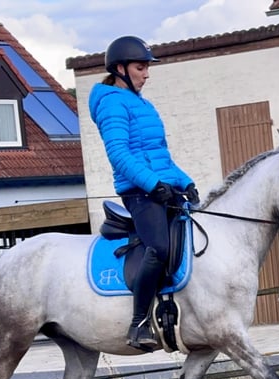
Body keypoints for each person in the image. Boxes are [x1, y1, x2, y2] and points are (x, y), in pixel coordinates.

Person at [89, 36, 200, 350]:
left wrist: (186, 182)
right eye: (141, 68)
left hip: (161, 188)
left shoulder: (143, 104)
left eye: (147, 68)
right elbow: (119, 155)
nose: (146, 74)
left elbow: (161, 155)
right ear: (121, 68)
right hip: (139, 193)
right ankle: (138, 323)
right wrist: (154, 185)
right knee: (160, 248)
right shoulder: (111, 102)